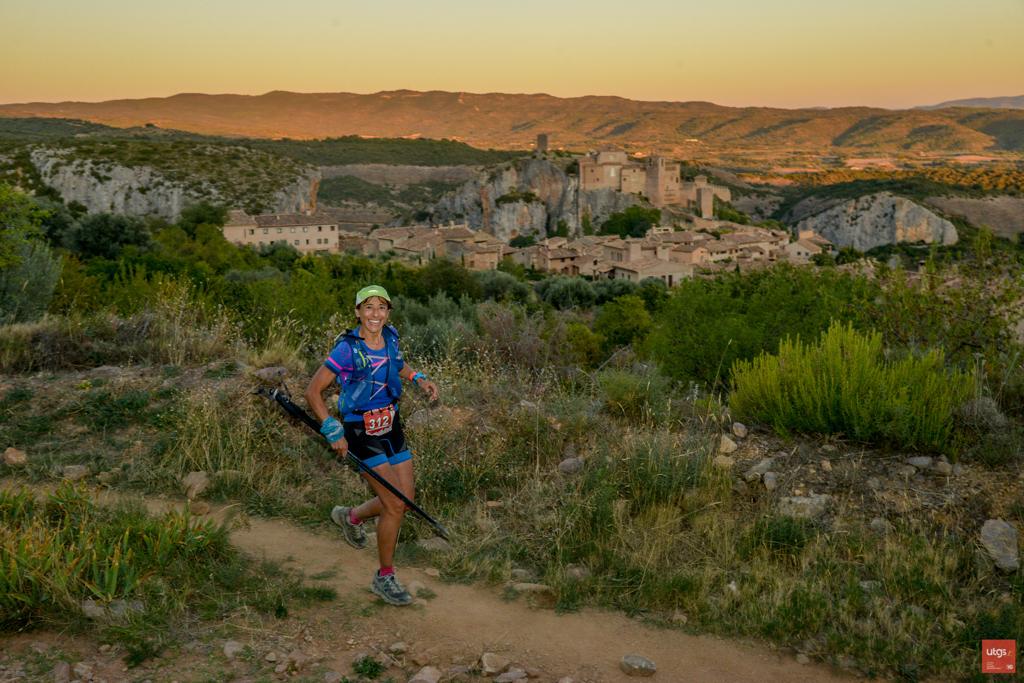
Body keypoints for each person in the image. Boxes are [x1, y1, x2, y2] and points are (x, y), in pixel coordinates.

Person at [304, 284, 439, 606]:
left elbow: (397, 365)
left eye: (381, 307)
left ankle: (351, 517)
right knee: (393, 504)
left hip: (391, 425)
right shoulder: (348, 349)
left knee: (404, 500)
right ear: (357, 312)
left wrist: (418, 377)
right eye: (368, 307)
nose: (375, 314)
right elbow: (313, 391)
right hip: (361, 431)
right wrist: (332, 429)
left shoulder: (390, 337)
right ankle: (385, 577)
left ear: (388, 312)